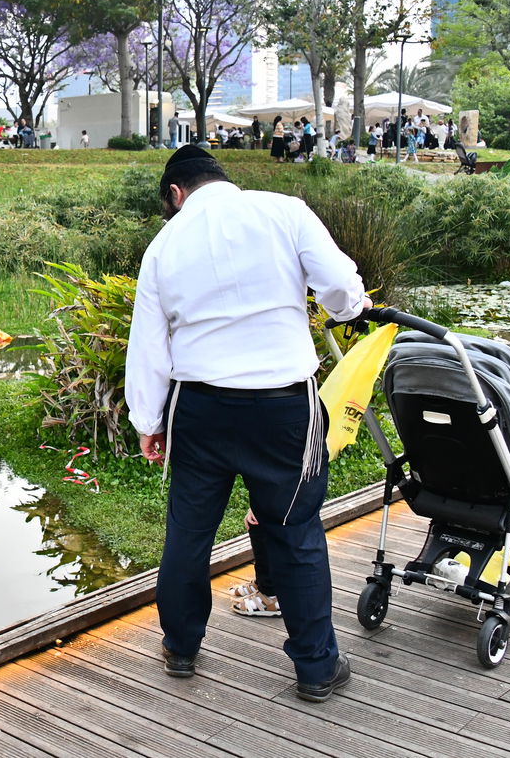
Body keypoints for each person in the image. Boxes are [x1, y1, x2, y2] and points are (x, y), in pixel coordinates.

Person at [126, 144, 367, 701]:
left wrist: (148, 420)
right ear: (220, 178)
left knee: (189, 534)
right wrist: (347, 309)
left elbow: (149, 346)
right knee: (297, 532)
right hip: (283, 403)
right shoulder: (285, 210)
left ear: (175, 194)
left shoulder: (164, 244)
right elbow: (342, 290)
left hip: (200, 406)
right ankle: (315, 667)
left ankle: (181, 648)